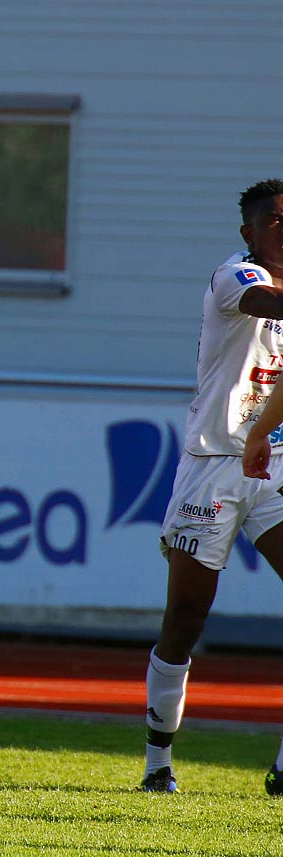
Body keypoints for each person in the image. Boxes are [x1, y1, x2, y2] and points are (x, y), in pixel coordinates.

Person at [144, 178, 283, 795]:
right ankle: (158, 762)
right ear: (250, 232)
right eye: (276, 220)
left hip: (274, 465)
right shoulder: (236, 278)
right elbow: (269, 307)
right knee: (186, 616)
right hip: (214, 464)